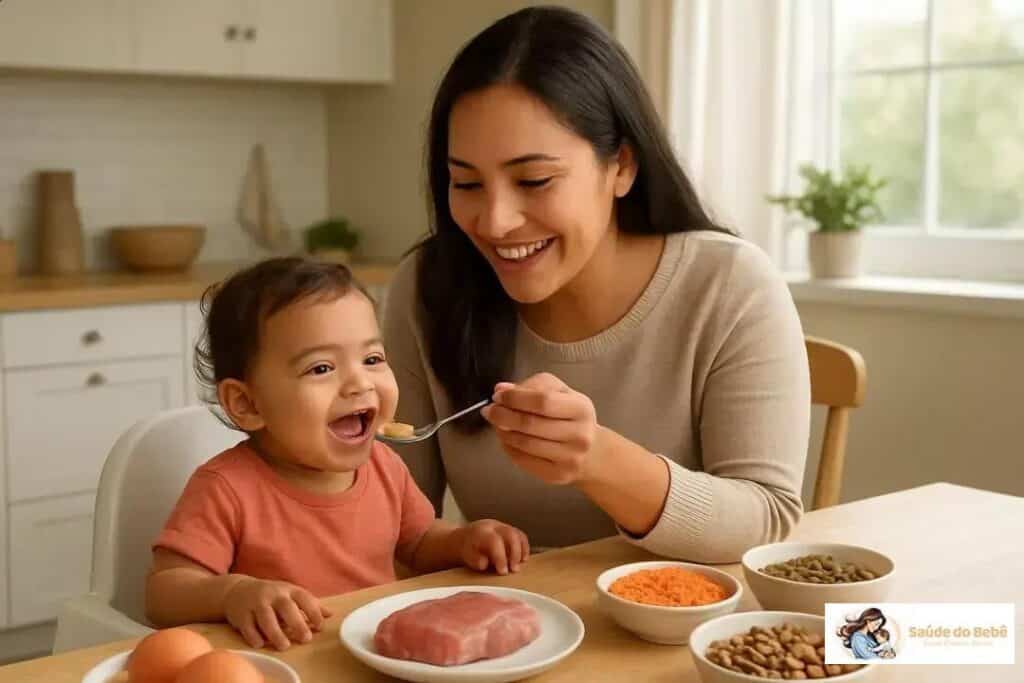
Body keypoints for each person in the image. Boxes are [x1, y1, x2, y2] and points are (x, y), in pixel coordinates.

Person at [382, 6, 810, 563]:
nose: (495, 221)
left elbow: (766, 519)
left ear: (622, 166)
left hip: (676, 611)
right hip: (506, 612)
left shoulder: (730, 286)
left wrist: (600, 460)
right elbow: (388, 518)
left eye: (534, 180)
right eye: (465, 183)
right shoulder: (427, 288)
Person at [145, 259, 529, 651]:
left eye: (372, 359)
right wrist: (233, 594)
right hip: (285, 662)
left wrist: (465, 540)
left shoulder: (384, 465)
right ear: (247, 403)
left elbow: (419, 542)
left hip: (376, 652)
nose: (360, 383)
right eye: (321, 368)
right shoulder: (225, 489)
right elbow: (164, 592)